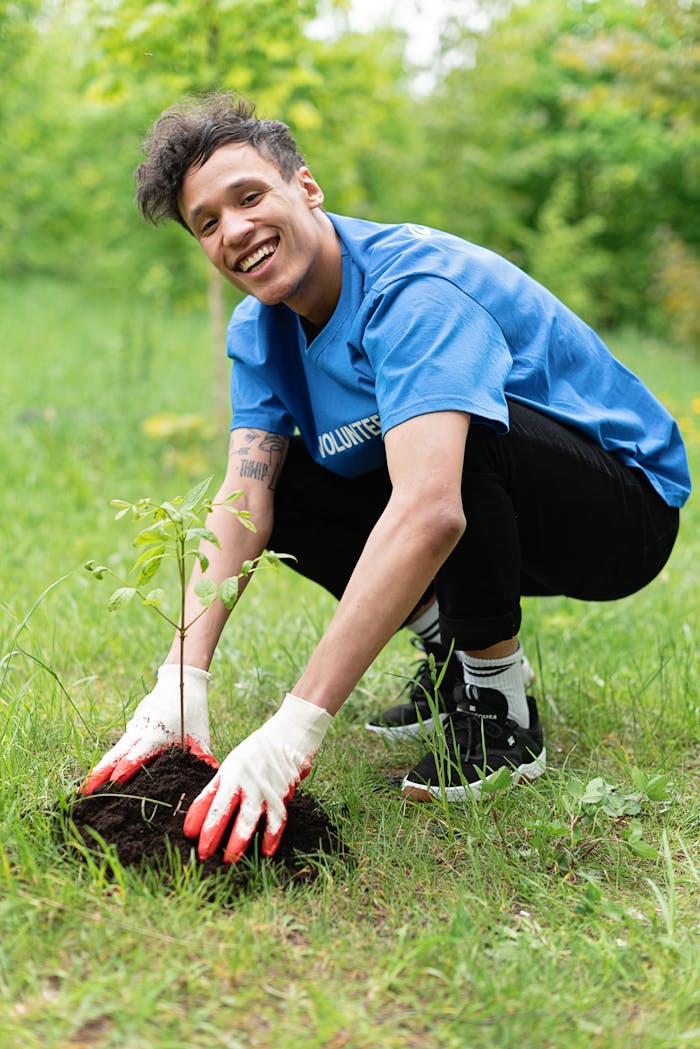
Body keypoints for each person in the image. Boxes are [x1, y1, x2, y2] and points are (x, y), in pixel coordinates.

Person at [81, 94, 690, 863]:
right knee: (285, 483)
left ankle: (499, 710)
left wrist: (294, 728)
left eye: (249, 196)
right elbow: (245, 501)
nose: (233, 229)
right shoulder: (262, 329)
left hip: (618, 512)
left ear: (306, 188)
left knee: (456, 441)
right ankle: (449, 665)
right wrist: (180, 677)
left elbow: (432, 510)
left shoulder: (414, 292)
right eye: (206, 222)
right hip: (492, 510)